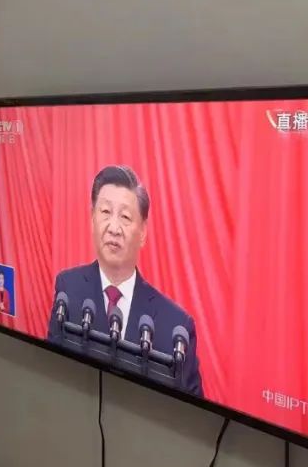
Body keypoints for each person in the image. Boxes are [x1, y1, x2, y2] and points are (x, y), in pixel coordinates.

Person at [46, 165, 203, 396]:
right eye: (105, 212)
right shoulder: (68, 290)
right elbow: (50, 377)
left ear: (143, 232)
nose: (114, 228)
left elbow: (191, 412)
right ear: (92, 219)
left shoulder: (175, 327)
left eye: (126, 217)